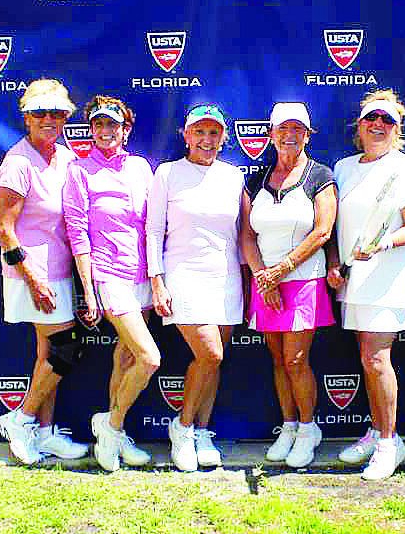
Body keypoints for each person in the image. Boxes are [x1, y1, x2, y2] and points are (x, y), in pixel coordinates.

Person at [327, 89, 405, 480]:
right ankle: (377, 431)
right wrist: (336, 263)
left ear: (398, 128)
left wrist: (382, 243)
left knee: (376, 358)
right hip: (353, 280)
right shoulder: (344, 167)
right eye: (372, 119)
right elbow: (334, 226)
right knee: (366, 359)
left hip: (388, 278)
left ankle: (389, 443)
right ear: (360, 126)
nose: (379, 126)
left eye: (387, 120)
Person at [62, 95, 160, 472]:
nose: (105, 131)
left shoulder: (140, 168)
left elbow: (151, 226)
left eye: (113, 125)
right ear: (90, 129)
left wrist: (156, 276)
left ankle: (114, 437)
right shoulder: (79, 170)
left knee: (127, 356)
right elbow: (78, 233)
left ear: (126, 129)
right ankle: (111, 423)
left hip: (142, 276)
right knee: (150, 358)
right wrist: (89, 289)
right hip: (108, 276)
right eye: (98, 124)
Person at [0, 79, 89, 464]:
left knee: (48, 353)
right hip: (31, 275)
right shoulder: (17, 162)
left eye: (57, 113)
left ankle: (46, 434)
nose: (48, 119)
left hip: (60, 270)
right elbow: (4, 228)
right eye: (39, 113)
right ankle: (23, 418)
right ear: (27, 118)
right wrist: (32, 277)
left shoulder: (65, 158)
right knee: (65, 351)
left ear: (66, 117)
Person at [146, 105, 244, 472]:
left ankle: (203, 431)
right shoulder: (168, 173)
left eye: (214, 133)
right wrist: (157, 280)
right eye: (199, 132)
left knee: (212, 363)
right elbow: (154, 230)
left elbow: (242, 234)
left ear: (223, 138)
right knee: (211, 354)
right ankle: (183, 428)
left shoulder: (233, 176)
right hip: (183, 276)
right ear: (185, 136)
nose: (206, 140)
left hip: (226, 279)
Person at [240, 103, 337, 468]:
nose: (290, 135)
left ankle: (309, 429)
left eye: (298, 129)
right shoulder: (256, 181)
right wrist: (264, 277)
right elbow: (247, 237)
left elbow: (323, 231)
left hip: (303, 280)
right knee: (278, 360)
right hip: (266, 283)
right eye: (283, 129)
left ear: (308, 135)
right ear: (270, 134)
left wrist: (281, 270)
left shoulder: (320, 176)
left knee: (297, 360)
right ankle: (290, 425)